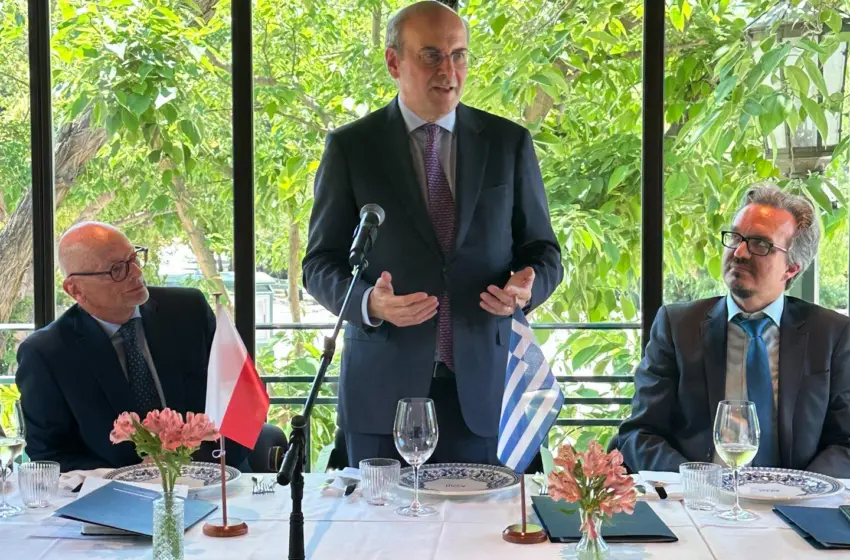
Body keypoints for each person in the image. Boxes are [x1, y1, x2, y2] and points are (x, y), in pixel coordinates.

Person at [302, 1, 563, 467]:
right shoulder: (351, 147)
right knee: (379, 517)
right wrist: (369, 303)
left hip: (485, 394)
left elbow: (543, 251)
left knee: (485, 516)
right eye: (431, 55)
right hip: (382, 395)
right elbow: (319, 264)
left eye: (458, 55)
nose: (449, 71)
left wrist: (529, 285)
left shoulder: (507, 143)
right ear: (393, 62)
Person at [617, 185, 850, 478]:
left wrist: (801, 489)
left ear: (791, 268)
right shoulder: (678, 326)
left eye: (760, 244)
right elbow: (640, 433)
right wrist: (699, 482)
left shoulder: (831, 334)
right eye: (736, 238)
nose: (739, 252)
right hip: (699, 497)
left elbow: (845, 441)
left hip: (795, 499)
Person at [15, 222, 258, 472]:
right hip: (113, 489)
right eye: (117, 269)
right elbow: (49, 454)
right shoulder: (47, 354)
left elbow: (242, 400)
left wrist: (191, 467)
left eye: (134, 258)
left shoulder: (189, 311)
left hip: (215, 476)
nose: (136, 273)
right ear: (75, 289)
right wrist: (134, 475)